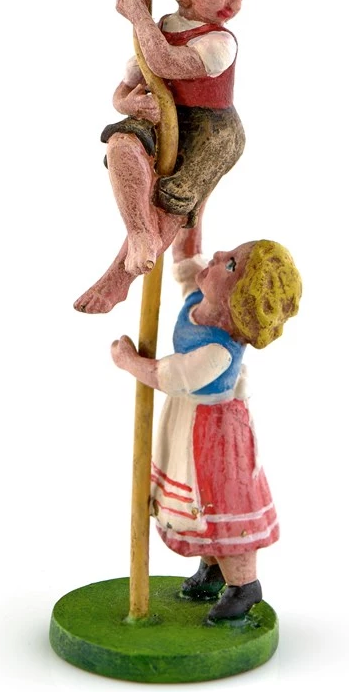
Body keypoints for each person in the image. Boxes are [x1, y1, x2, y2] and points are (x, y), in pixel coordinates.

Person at [75, 0, 274, 315]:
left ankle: (118, 280)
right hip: (164, 116)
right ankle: (139, 234)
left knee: (172, 200)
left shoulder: (220, 42)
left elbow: (164, 62)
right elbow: (124, 88)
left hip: (212, 132)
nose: (234, 6)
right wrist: (130, 107)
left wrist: (137, 16)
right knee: (122, 144)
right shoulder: (160, 27)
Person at [111, 238, 301, 622]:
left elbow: (170, 376)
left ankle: (244, 585)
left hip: (215, 437)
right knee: (202, 511)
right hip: (188, 421)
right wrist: (190, 217)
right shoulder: (201, 301)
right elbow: (186, 258)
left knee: (218, 504)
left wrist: (129, 362)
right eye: (229, 254)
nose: (218, 256)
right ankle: (212, 571)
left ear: (236, 305)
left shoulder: (219, 352)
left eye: (230, 266)